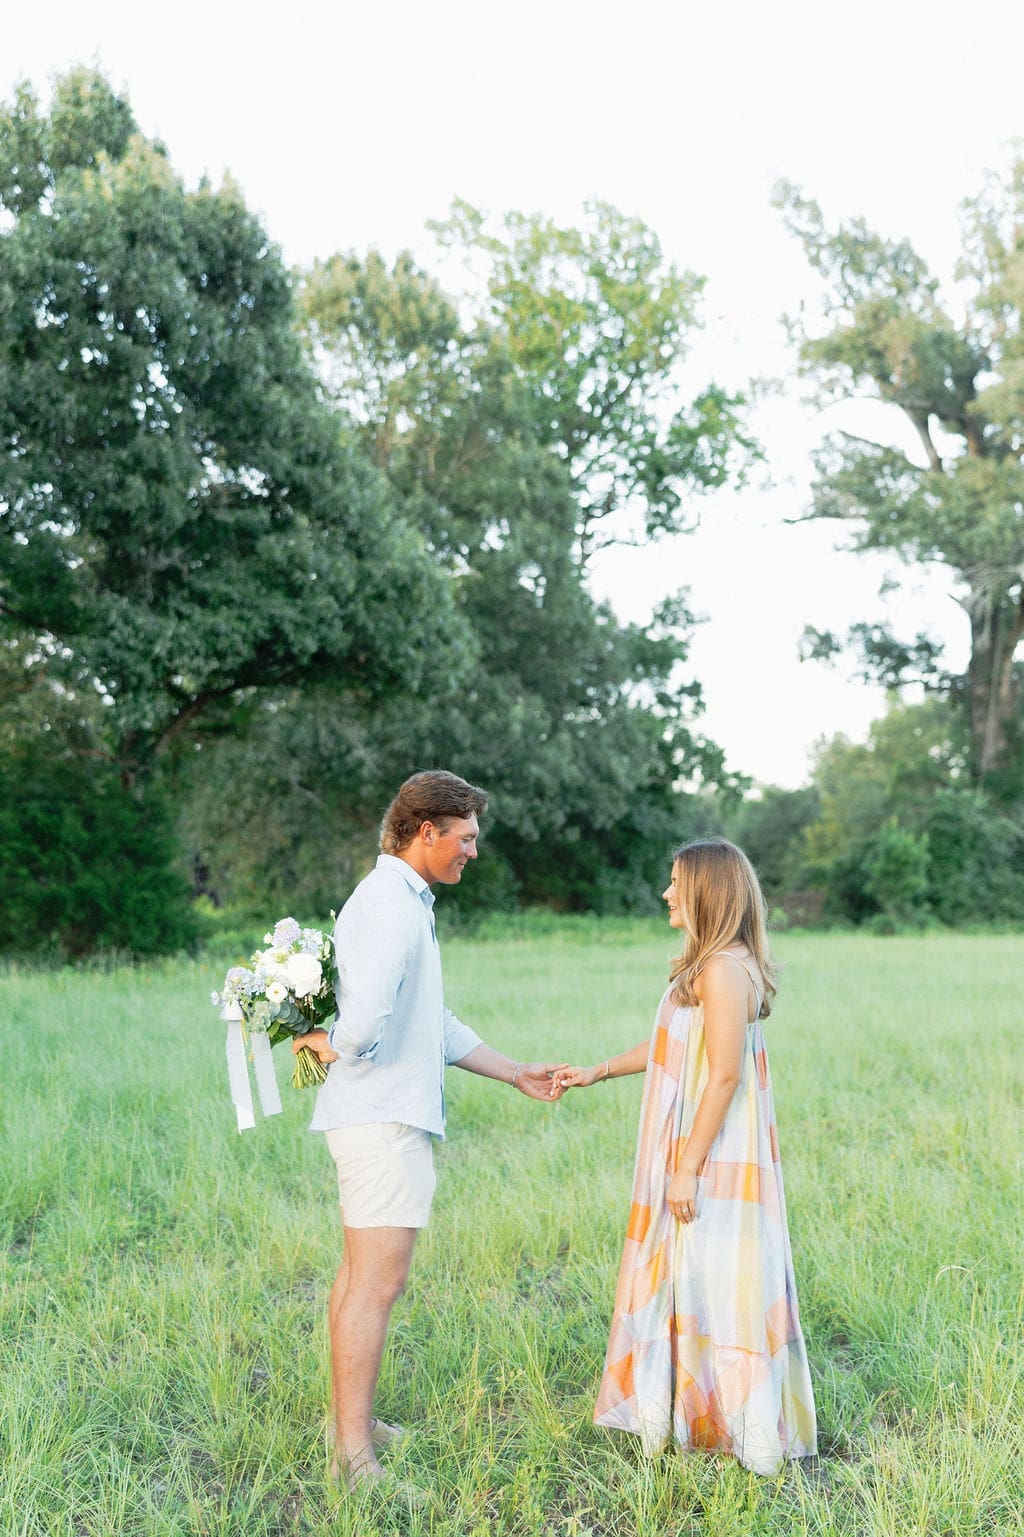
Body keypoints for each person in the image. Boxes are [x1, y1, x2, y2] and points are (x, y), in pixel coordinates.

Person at [294, 770, 565, 1490]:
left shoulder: (406, 900)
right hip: (381, 1119)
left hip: (381, 1113)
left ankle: (351, 1421)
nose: (473, 851)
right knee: (377, 1285)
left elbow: (430, 1020)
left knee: (361, 1278)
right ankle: (354, 1457)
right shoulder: (388, 903)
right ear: (425, 831)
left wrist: (514, 1070)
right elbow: (362, 1024)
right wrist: (326, 1044)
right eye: (467, 837)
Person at [556, 837, 817, 1475]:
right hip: (699, 1149)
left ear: (707, 891)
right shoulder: (711, 967)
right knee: (691, 1277)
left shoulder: (724, 968)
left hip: (717, 1156)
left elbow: (722, 1076)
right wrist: (598, 1071)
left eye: (676, 882)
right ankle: (692, 1419)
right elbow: (673, 1048)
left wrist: (686, 1167)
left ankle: (748, 1438)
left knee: (726, 1284)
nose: (667, 892)